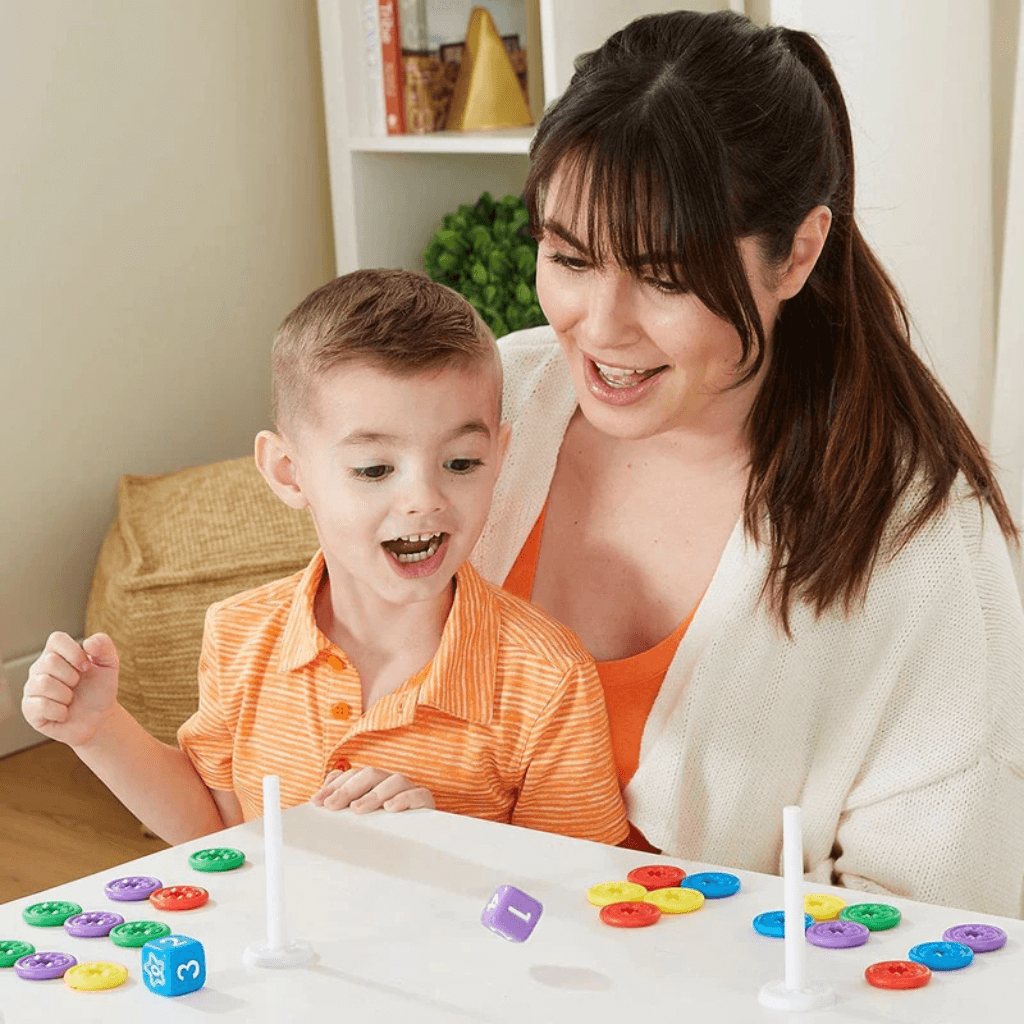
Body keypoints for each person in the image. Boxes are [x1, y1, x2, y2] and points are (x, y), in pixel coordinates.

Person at [471, 10, 1024, 916]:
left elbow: (941, 922)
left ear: (797, 254)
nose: (599, 327)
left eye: (664, 277)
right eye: (568, 257)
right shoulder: (491, 403)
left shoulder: (918, 536)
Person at [21, 269, 628, 848]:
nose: (424, 498)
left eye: (461, 463)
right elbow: (220, 831)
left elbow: (580, 891)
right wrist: (98, 731)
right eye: (375, 469)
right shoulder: (238, 635)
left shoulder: (548, 677)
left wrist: (444, 844)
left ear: (499, 458)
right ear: (288, 473)